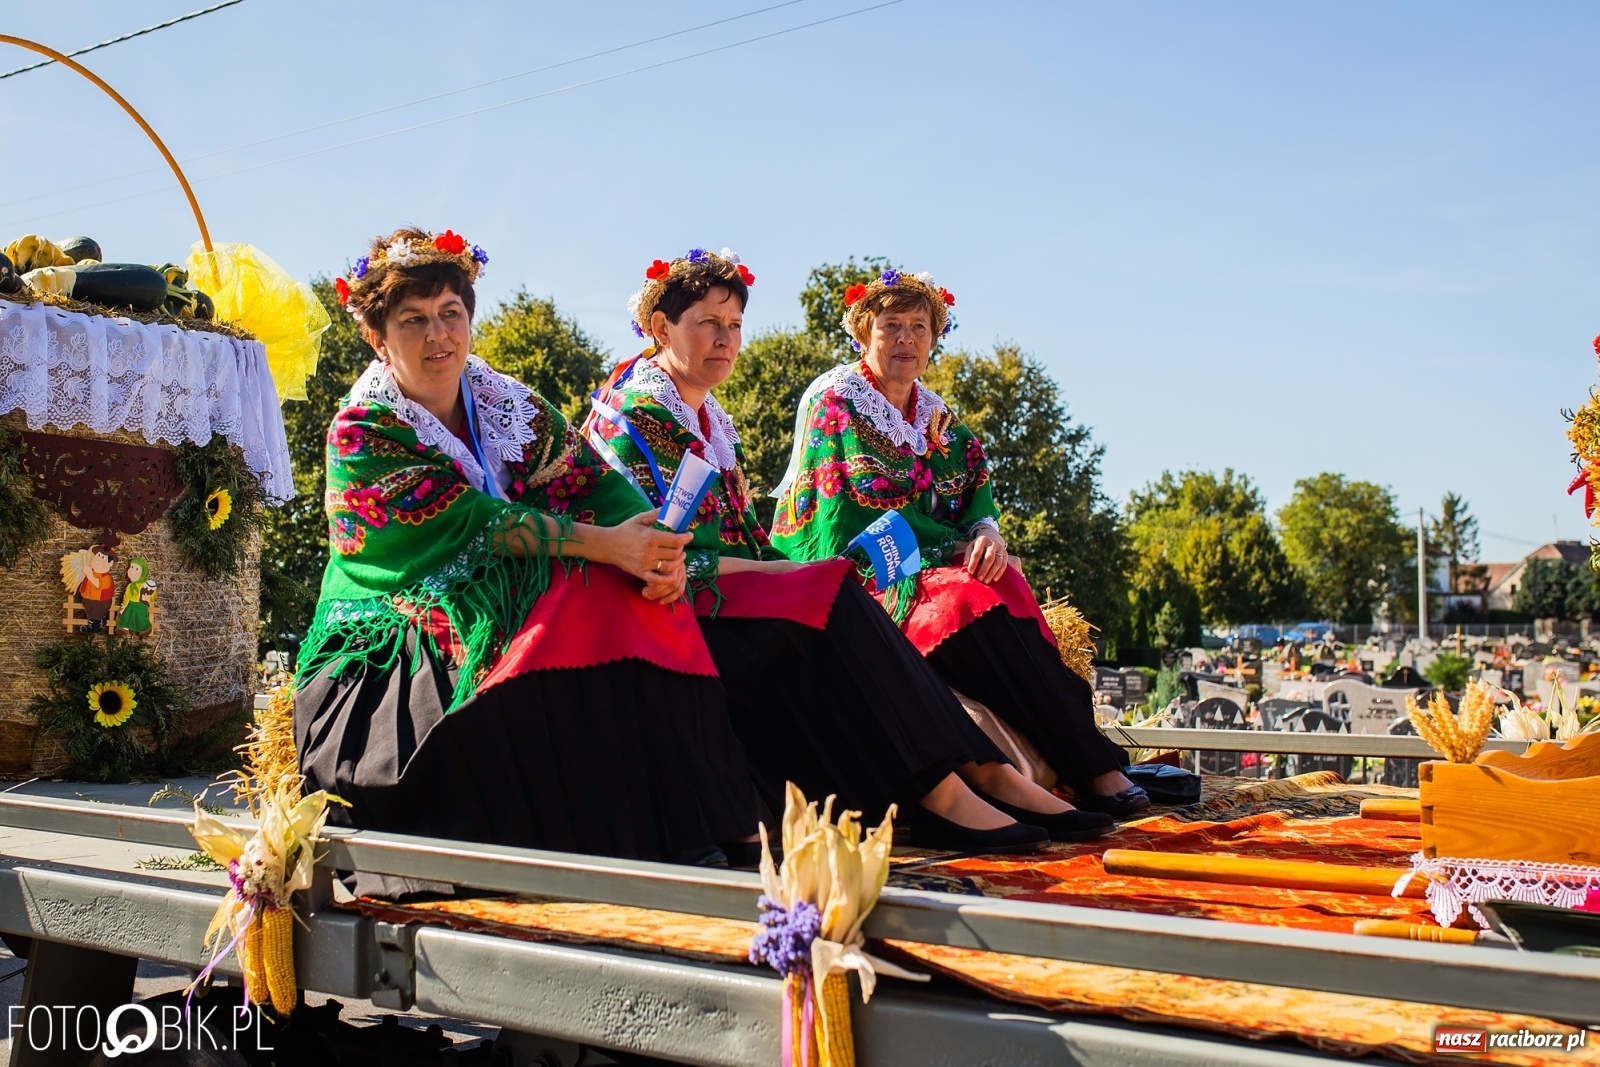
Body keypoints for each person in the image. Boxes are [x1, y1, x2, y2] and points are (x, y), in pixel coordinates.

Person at [587, 249, 1113, 851]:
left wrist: (983, 534)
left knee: (890, 585)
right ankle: (951, 791)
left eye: (733, 326)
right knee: (843, 587)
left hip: (731, 583)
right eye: (708, 323)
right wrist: (791, 572)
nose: (725, 339)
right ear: (661, 328)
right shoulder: (637, 414)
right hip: (669, 602)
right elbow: (669, 554)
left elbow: (971, 496)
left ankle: (987, 775)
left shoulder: (708, 418)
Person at [293, 228, 759, 894]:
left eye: (451, 313)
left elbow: (587, 477)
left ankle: (686, 818)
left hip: (505, 587)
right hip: (393, 627)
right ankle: (609, 832)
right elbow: (465, 524)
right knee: (577, 585)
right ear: (377, 338)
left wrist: (652, 547)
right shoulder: (362, 426)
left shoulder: (502, 401)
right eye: (413, 321)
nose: (439, 336)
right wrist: (600, 544)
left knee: (622, 587)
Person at [772, 267, 1152, 817]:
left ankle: (1085, 759)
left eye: (919, 327)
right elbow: (841, 514)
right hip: (866, 572)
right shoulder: (838, 402)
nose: (906, 339)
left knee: (1007, 583)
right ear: (863, 333)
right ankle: (1089, 764)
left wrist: (985, 534)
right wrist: (944, 550)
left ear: (934, 337)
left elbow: (976, 489)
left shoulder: (939, 419)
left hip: (932, 563)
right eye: (892, 326)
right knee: (961, 598)